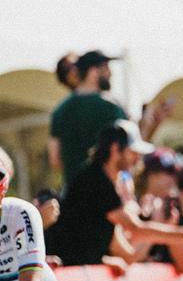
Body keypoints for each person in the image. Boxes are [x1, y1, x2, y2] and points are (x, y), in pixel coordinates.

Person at [50, 120, 183, 270]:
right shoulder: (96, 180)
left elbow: (127, 253)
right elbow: (136, 228)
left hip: (79, 267)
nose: (137, 160)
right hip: (69, 270)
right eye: (133, 153)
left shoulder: (107, 183)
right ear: (115, 149)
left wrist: (106, 260)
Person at [48, 50, 127, 187]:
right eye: (106, 68)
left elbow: (55, 160)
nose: (110, 74)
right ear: (93, 72)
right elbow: (127, 152)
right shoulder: (112, 107)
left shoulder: (60, 111)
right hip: (106, 193)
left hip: (72, 193)